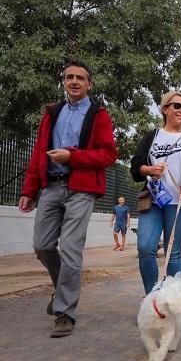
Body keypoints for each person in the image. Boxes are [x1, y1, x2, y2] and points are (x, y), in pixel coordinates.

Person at [18, 61, 118, 338]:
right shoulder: (52, 113)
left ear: (89, 84)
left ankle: (65, 312)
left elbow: (109, 155)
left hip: (81, 190)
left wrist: (72, 156)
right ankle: (62, 289)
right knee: (42, 246)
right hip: (50, 187)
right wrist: (29, 190)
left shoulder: (99, 115)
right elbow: (39, 152)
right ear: (63, 81)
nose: (74, 81)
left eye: (80, 78)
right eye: (69, 77)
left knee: (72, 250)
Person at [130, 91, 181, 294]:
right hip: (153, 201)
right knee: (146, 248)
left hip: (180, 203)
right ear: (165, 109)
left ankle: (175, 299)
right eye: (177, 106)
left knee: (172, 253)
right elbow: (136, 166)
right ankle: (153, 297)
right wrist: (149, 170)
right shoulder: (152, 136)